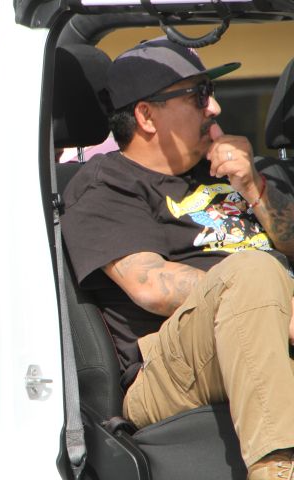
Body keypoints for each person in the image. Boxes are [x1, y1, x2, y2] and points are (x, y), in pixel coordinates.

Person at [61, 37, 294, 479]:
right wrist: (275, 299)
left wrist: (254, 187)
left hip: (261, 323)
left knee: (257, 274)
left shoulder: (238, 169)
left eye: (211, 91)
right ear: (146, 116)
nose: (215, 108)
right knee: (251, 271)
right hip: (167, 369)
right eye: (198, 95)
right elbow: (150, 284)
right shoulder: (106, 184)